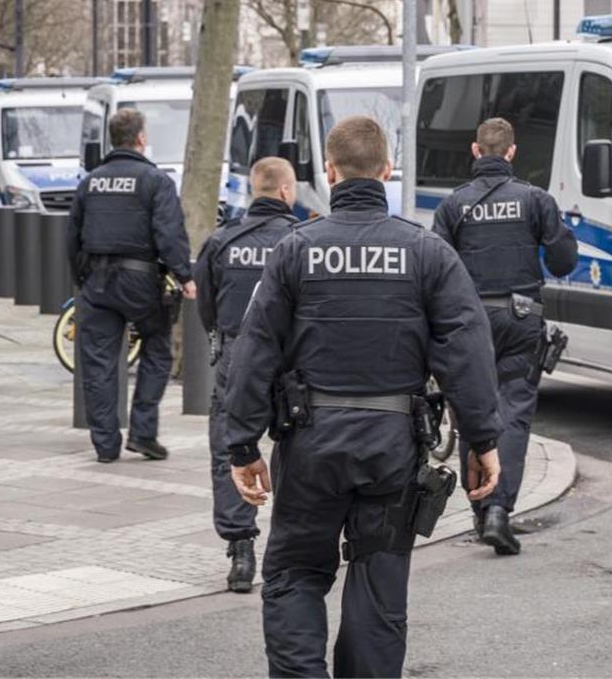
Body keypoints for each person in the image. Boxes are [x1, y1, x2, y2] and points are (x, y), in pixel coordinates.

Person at [223, 116, 503, 677]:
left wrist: (241, 446)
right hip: (391, 448)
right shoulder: (427, 252)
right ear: (387, 171)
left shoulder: (295, 250)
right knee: (378, 587)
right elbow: (466, 351)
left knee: (295, 575)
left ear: (328, 171)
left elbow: (255, 350)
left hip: (310, 446)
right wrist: (483, 439)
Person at [431, 117, 578, 555]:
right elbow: (564, 260)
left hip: (469, 321)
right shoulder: (535, 200)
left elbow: (436, 272)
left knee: (473, 412)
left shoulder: (453, 205)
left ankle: (480, 511)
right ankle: (499, 511)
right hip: (520, 318)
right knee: (513, 413)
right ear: (512, 153)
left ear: (476, 152)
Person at [193, 157, 299, 593]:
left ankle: (240, 552)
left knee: (231, 448)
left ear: (255, 190)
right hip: (291, 357)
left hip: (237, 354)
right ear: (286, 192)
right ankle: (294, 545)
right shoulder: (299, 240)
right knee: (299, 445)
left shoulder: (221, 241)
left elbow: (206, 305)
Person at [67, 108, 195, 464]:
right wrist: (184, 276)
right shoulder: (155, 181)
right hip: (141, 282)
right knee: (157, 350)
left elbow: (72, 236)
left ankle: (105, 445)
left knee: (98, 363)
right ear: (140, 138)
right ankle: (142, 432)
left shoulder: (89, 182)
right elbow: (169, 234)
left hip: (97, 282)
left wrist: (82, 279)